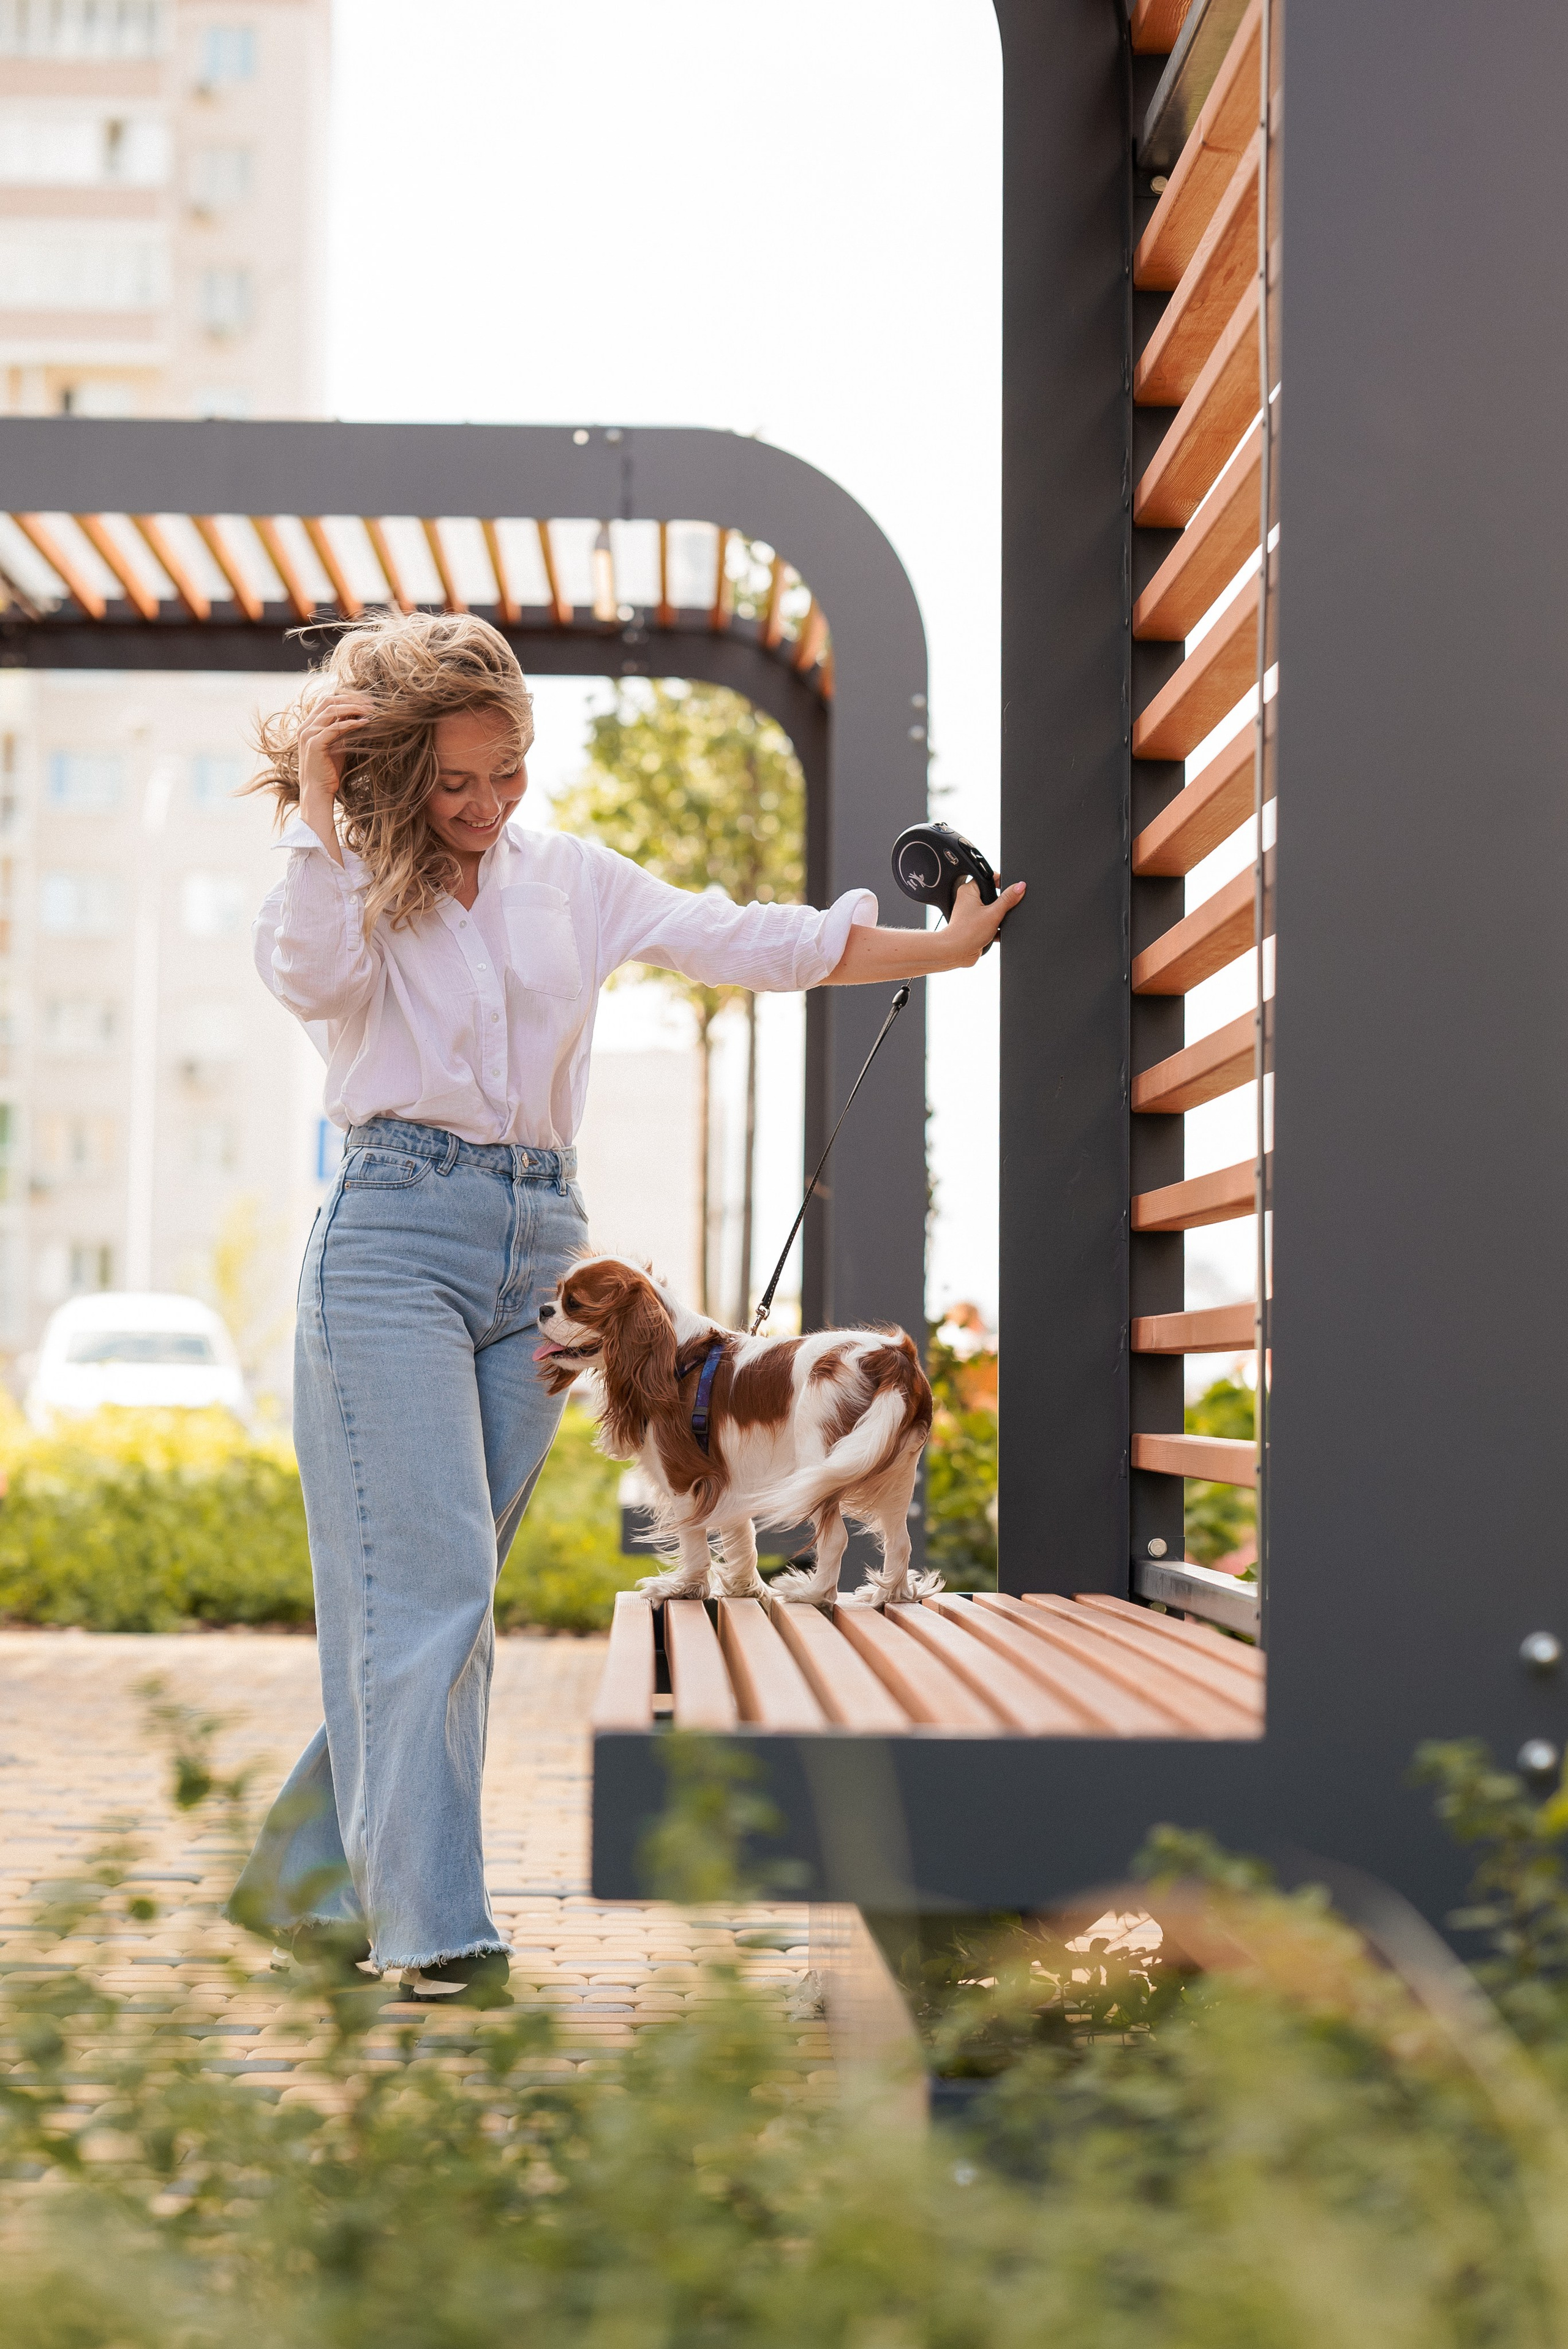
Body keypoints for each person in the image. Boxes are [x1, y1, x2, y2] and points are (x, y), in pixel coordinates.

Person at [231, 608, 1022, 2002]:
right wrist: (313, 801)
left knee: (443, 1596)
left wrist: (937, 953)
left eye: (507, 773)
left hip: (545, 1250)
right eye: (453, 782)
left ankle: (306, 1878)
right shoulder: (348, 874)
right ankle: (432, 1930)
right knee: (426, 1588)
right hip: (391, 1241)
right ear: (398, 772)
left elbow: (743, 939)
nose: (483, 807)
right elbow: (308, 978)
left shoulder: (570, 880)